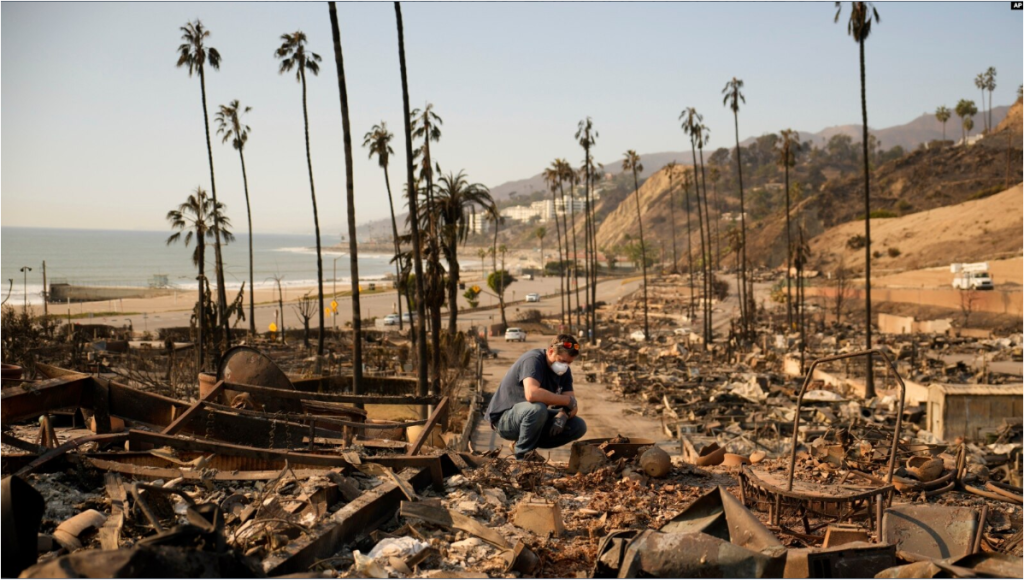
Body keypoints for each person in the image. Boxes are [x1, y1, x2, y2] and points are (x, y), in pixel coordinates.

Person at [486, 334, 587, 461]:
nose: (565, 366)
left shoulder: (564, 372)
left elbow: (573, 405)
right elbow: (532, 394)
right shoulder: (533, 360)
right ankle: (523, 457)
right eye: (562, 361)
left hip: (531, 418)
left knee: (578, 425)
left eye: (569, 362)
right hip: (505, 419)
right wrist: (566, 401)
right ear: (551, 351)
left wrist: (564, 415)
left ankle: (524, 444)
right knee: (537, 409)